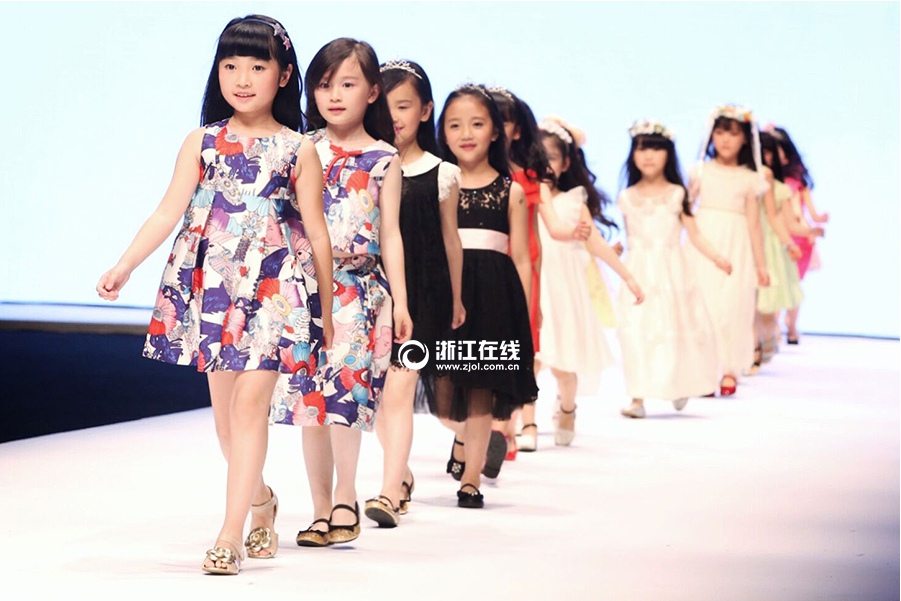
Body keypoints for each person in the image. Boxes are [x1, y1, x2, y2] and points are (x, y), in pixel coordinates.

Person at [96, 15, 334, 575]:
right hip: (214, 290)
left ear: (283, 75)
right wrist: (125, 264)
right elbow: (167, 211)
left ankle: (229, 535)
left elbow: (318, 234)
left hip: (275, 290)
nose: (242, 79)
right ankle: (261, 501)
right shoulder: (202, 141)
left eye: (257, 66)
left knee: (250, 408)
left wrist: (324, 311)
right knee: (227, 424)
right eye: (230, 66)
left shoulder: (299, 148)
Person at [270, 38, 412, 546]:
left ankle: (346, 497)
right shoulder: (301, 147)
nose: (333, 95)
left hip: (358, 290)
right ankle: (319, 508)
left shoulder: (384, 158)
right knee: (310, 403)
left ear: (372, 92)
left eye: (347, 84)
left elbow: (391, 233)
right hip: (305, 290)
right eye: (324, 84)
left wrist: (401, 301)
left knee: (345, 399)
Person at [363, 59, 464, 528]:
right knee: (378, 397)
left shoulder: (442, 172)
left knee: (399, 389)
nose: (393, 115)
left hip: (422, 295)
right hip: (367, 292)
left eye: (403, 105)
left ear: (425, 110)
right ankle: (400, 474)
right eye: (384, 104)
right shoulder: (365, 162)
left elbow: (450, 241)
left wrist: (457, 298)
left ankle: (388, 493)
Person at [432, 84, 538, 508]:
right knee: (443, 399)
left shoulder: (511, 191)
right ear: (442, 131)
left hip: (493, 297)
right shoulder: (435, 184)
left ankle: (471, 480)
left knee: (480, 392)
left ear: (495, 131)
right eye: (455, 125)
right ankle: (464, 439)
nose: (466, 134)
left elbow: (523, 258)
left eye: (477, 124)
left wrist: (523, 314)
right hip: (445, 296)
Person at [535, 117, 643, 439]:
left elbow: (594, 243)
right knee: (531, 359)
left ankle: (567, 409)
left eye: (552, 158)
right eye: (538, 157)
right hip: (534, 285)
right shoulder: (525, 194)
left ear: (566, 163)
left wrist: (628, 277)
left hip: (564, 290)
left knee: (563, 363)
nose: (545, 166)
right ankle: (521, 426)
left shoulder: (574, 200)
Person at [615, 120, 728, 419]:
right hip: (638, 271)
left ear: (668, 154)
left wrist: (717, 257)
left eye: (656, 149)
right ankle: (637, 397)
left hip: (672, 272)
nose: (648, 156)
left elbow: (695, 234)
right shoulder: (627, 197)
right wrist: (615, 253)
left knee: (674, 329)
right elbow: (629, 237)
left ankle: (678, 383)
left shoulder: (678, 193)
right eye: (642, 149)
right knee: (636, 331)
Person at [685, 104, 770, 397]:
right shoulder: (699, 171)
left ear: (745, 138)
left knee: (733, 305)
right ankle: (704, 371)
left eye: (733, 133)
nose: (725, 140)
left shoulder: (750, 178)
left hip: (737, 243)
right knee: (704, 304)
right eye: (720, 132)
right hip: (703, 240)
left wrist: (761, 265)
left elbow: (754, 224)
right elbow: (684, 209)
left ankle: (729, 369)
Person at [771, 126, 826, 345]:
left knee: (791, 284)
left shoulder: (796, 183)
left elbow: (804, 213)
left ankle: (790, 326)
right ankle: (777, 327)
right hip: (780, 234)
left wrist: (815, 223)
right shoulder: (770, 181)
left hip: (797, 236)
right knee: (779, 283)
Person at [753, 131, 804, 366]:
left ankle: (765, 338)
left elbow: (775, 217)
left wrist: (788, 243)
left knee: (766, 296)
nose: (764, 156)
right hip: (742, 238)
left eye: (767, 151)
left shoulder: (769, 179)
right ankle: (755, 344)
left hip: (767, 243)